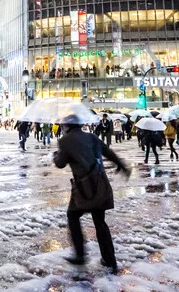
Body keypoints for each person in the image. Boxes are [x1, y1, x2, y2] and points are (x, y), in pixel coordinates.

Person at [52, 116, 130, 274]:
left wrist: (56, 155)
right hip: (100, 183)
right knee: (100, 222)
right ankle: (110, 261)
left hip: (83, 189)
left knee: (73, 216)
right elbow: (108, 152)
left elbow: (60, 163)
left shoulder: (65, 141)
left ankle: (80, 254)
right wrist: (122, 166)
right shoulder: (92, 137)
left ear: (67, 125)